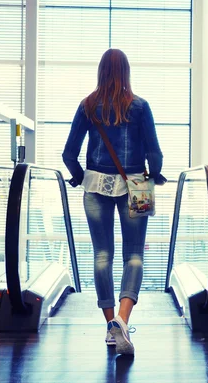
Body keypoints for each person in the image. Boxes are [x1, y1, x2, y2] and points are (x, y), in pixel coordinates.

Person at [62, 48, 166, 356]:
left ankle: (111, 326)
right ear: (126, 72)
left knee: (101, 255)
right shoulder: (141, 106)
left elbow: (69, 154)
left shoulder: (87, 106)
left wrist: (81, 176)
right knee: (134, 255)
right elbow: (154, 153)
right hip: (138, 185)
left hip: (96, 184)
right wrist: (154, 174)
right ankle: (123, 318)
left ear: (101, 71)